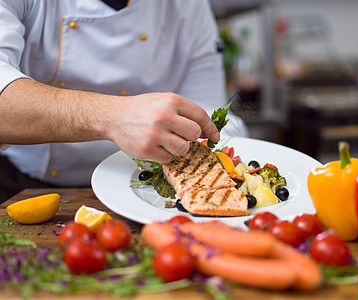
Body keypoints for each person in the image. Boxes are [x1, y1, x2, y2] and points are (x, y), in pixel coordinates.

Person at [0, 0, 248, 203]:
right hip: (27, 189)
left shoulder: (187, 6)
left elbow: (207, 112)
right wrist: (113, 117)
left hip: (147, 195)